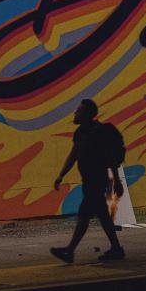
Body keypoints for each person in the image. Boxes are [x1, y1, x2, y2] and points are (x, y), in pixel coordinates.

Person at [50, 99, 125, 263]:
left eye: (78, 110)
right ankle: (116, 248)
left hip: (96, 181)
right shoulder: (80, 133)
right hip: (88, 181)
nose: (75, 113)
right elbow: (73, 155)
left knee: (84, 215)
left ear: (87, 114)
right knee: (102, 216)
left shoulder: (98, 132)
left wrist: (117, 181)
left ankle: (70, 251)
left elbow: (110, 158)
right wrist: (61, 175)